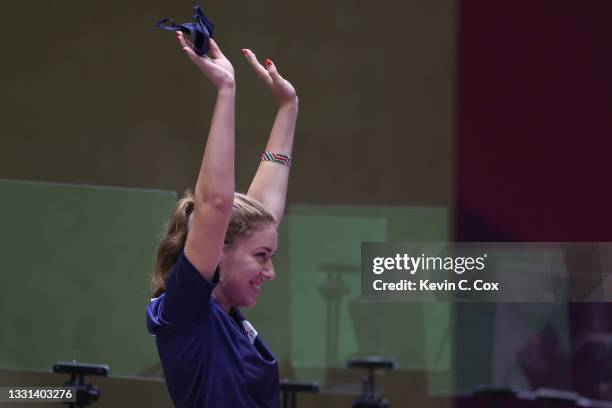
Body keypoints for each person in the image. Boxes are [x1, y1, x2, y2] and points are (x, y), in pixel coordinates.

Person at [146, 30, 298, 407]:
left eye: (270, 257)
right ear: (218, 252)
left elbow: (262, 213)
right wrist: (225, 90)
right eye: (261, 256)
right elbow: (215, 203)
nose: (270, 271)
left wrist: (288, 107)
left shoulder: (227, 314)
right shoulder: (188, 312)